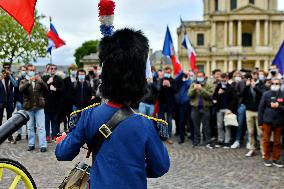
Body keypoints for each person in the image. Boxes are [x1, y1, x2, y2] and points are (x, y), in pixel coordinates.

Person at [55, 28, 170, 189]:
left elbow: (63, 153)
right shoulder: (146, 125)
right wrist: (133, 168)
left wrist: (62, 140)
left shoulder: (89, 115)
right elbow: (161, 166)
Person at [19, 64, 48, 152]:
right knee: (30, 127)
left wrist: (41, 81)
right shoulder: (23, 81)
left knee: (41, 127)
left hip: (39, 107)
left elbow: (46, 89)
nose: (32, 71)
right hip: (29, 107)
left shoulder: (39, 80)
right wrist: (29, 82)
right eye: (30, 70)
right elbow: (20, 90)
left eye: (33, 70)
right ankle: (31, 144)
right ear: (27, 71)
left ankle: (43, 145)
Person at [258, 78, 284, 167]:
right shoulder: (266, 94)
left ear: (280, 84)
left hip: (279, 121)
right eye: (273, 83)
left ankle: (276, 159)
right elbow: (261, 109)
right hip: (267, 121)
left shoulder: (283, 94)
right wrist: (260, 122)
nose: (275, 85)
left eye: (277, 83)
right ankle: (266, 158)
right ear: (270, 84)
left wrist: (279, 106)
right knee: (266, 140)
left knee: (277, 142)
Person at [188, 71, 215, 148]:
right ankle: (196, 141)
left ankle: (207, 141)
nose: (199, 78)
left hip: (205, 108)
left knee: (206, 126)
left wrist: (201, 89)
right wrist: (194, 89)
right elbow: (189, 94)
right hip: (195, 108)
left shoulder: (209, 84)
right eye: (198, 76)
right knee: (196, 126)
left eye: (201, 76)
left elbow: (210, 95)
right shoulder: (193, 84)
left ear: (204, 76)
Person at [213, 73, 238, 148]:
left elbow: (234, 99)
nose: (223, 80)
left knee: (227, 126)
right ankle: (220, 139)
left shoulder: (231, 87)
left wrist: (230, 109)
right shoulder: (218, 86)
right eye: (222, 78)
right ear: (220, 78)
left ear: (227, 78)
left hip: (227, 109)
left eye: (225, 78)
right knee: (219, 125)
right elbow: (214, 97)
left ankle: (227, 141)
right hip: (219, 109)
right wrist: (218, 93)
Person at [242, 75, 263, 157]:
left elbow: (262, 94)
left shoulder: (261, 84)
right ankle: (252, 149)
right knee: (250, 132)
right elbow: (242, 95)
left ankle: (263, 149)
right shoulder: (247, 87)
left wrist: (255, 87)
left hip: (258, 111)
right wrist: (247, 86)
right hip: (249, 111)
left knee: (260, 133)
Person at [42, 64, 64, 142]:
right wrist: (48, 83)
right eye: (51, 68)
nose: (53, 70)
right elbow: (41, 89)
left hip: (56, 104)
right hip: (46, 104)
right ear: (47, 70)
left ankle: (55, 135)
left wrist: (55, 89)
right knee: (46, 121)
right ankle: (47, 135)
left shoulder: (59, 79)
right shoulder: (44, 78)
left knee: (55, 121)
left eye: (54, 68)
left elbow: (62, 90)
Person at [157, 67, 176, 144]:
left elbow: (175, 91)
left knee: (169, 121)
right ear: (164, 72)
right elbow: (157, 90)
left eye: (169, 72)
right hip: (161, 103)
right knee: (160, 120)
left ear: (170, 72)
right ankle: (161, 135)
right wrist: (161, 85)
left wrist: (170, 86)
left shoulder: (173, 80)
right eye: (166, 72)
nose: (167, 73)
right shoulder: (161, 80)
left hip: (169, 104)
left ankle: (168, 137)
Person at [174, 70, 193, 144]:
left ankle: (193, 136)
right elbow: (176, 79)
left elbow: (190, 84)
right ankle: (181, 138)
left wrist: (188, 77)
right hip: (181, 105)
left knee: (191, 122)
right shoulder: (179, 82)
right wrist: (182, 72)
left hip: (188, 104)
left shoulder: (189, 82)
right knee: (181, 122)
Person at [0, 63, 18, 143]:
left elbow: (15, 85)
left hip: (10, 100)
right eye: (5, 68)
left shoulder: (11, 76)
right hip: (1, 101)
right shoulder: (0, 76)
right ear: (3, 68)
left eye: (8, 68)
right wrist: (1, 78)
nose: (6, 69)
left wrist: (10, 76)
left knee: (10, 119)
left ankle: (10, 137)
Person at [14, 66, 28, 141]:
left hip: (27, 102)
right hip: (20, 101)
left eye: (24, 70)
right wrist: (16, 101)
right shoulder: (18, 80)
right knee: (19, 118)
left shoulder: (28, 79)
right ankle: (19, 134)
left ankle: (27, 133)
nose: (23, 72)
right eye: (22, 70)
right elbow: (15, 91)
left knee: (28, 118)